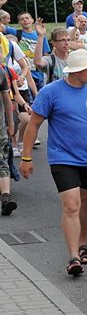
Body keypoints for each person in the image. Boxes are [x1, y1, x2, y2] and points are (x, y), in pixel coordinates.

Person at [22, 49, 87, 275]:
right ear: (76, 71)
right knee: (71, 205)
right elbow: (34, 125)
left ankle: (83, 244)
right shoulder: (51, 92)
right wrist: (26, 158)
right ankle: (73, 256)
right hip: (62, 158)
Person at [0, 64, 15, 214]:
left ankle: (6, 198)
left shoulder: (1, 72)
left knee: (2, 160)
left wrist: (10, 123)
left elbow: (6, 98)